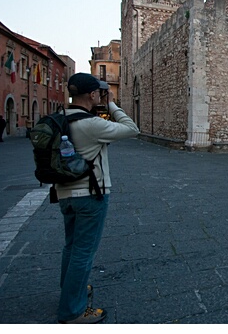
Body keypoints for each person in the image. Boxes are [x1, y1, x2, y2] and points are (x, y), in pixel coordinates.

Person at [56, 73, 139, 324]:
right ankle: (73, 311)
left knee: (71, 246)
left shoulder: (60, 119)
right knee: (84, 252)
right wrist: (112, 104)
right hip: (90, 195)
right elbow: (132, 129)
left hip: (64, 194)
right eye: (98, 94)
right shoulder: (92, 124)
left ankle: (70, 291)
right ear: (92, 95)